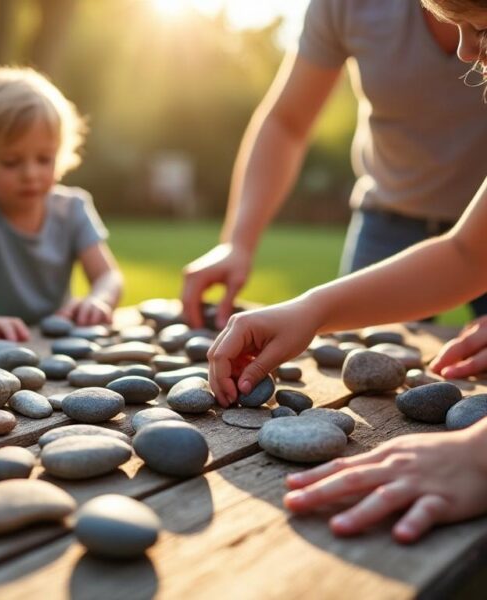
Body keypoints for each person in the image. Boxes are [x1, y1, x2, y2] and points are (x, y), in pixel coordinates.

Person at [206, 0, 487, 544]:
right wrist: (310, 308)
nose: (463, 52)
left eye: (479, 26)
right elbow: (469, 255)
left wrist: (477, 458)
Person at [181, 0, 487, 331]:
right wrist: (238, 243)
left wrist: (311, 312)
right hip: (392, 218)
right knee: (363, 355)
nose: (465, 54)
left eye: (481, 29)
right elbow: (286, 122)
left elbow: (468, 255)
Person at [0, 67, 123, 342]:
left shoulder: (74, 208)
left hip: (52, 344)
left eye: (44, 159)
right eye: (11, 161)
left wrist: (98, 300)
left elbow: (108, 275)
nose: (31, 173)